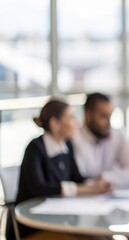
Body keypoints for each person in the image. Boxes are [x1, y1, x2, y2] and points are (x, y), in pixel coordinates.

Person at [7, 99, 111, 239]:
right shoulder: (35, 148)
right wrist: (85, 189)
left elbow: (77, 177)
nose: (77, 123)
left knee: (101, 236)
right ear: (55, 124)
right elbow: (39, 188)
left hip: (62, 222)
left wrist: (95, 183)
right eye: (71, 118)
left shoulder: (67, 145)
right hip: (33, 227)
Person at [72, 93, 129, 189]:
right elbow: (78, 179)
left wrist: (107, 177)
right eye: (103, 116)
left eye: (110, 116)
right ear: (88, 115)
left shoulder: (117, 135)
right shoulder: (74, 138)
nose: (109, 123)